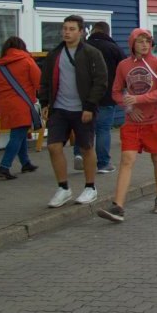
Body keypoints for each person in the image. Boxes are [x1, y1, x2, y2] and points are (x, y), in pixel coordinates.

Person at [97, 29, 157, 221]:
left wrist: (139, 99)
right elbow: (115, 92)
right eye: (140, 41)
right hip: (133, 121)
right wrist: (129, 107)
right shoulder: (123, 65)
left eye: (147, 41)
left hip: (155, 119)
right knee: (126, 159)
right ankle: (118, 206)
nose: (144, 45)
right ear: (132, 44)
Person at [39, 14, 108, 208]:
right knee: (53, 146)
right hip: (59, 108)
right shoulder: (54, 54)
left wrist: (90, 106)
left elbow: (101, 81)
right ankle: (63, 188)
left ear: (80, 31)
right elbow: (44, 81)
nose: (66, 32)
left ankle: (90, 187)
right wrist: (44, 103)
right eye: (64, 29)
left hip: (82, 109)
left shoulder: (91, 53)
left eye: (71, 29)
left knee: (86, 147)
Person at [0, 36, 41, 179]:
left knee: (20, 133)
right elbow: (39, 82)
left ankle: (25, 163)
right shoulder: (27, 61)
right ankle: (4, 167)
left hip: (5, 105)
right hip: (22, 104)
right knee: (17, 135)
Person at [86, 21, 124, 174]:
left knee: (85, 128)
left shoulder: (83, 47)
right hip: (107, 95)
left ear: (93, 31)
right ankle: (103, 163)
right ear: (107, 32)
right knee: (103, 129)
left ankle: (80, 156)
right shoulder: (114, 48)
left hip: (85, 96)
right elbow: (124, 70)